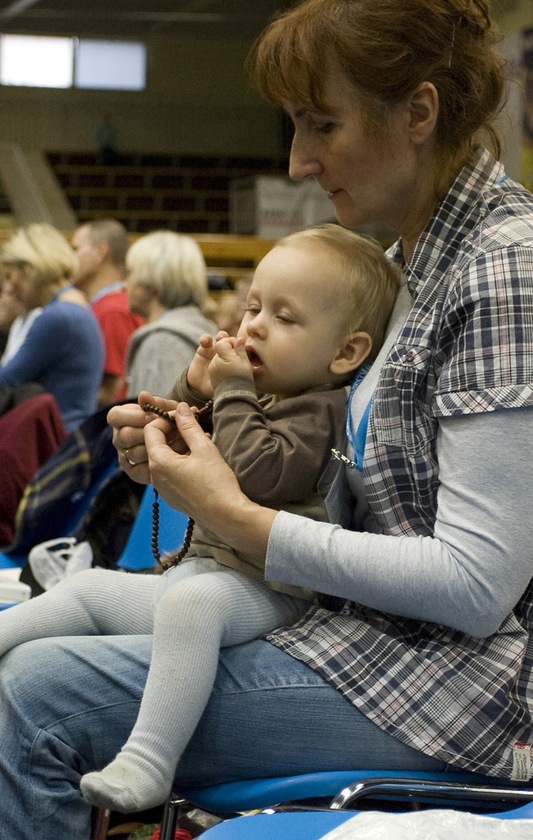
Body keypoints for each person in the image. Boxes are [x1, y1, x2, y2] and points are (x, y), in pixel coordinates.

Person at [0, 1, 532, 837]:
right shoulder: (394, 270)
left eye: (322, 124)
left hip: (450, 691)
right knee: (36, 650)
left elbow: (472, 587)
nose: (297, 161)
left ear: (419, 113)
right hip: (351, 636)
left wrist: (230, 513)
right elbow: (315, 465)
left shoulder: (502, 272)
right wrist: (179, 445)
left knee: (38, 691)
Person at [0, 223, 400, 813]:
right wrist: (191, 387)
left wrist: (233, 390)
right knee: (86, 590)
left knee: (191, 606)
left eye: (285, 319)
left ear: (345, 352)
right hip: (208, 573)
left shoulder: (321, 410)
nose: (255, 325)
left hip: (271, 589)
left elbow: (258, 475)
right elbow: (174, 429)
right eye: (254, 308)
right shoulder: (260, 391)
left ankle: (150, 760)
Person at [0, 223, 104, 432]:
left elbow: (7, 381)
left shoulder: (57, 318)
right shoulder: (75, 309)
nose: (9, 287)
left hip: (55, 441)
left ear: (30, 270)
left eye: (11, 276)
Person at [124, 230, 217, 398]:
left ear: (150, 282)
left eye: (130, 273)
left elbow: (156, 419)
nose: (125, 284)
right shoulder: (199, 327)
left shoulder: (162, 344)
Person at [71, 219, 143, 406]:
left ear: (100, 252)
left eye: (76, 249)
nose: (69, 258)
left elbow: (113, 391)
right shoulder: (106, 305)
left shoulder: (113, 310)